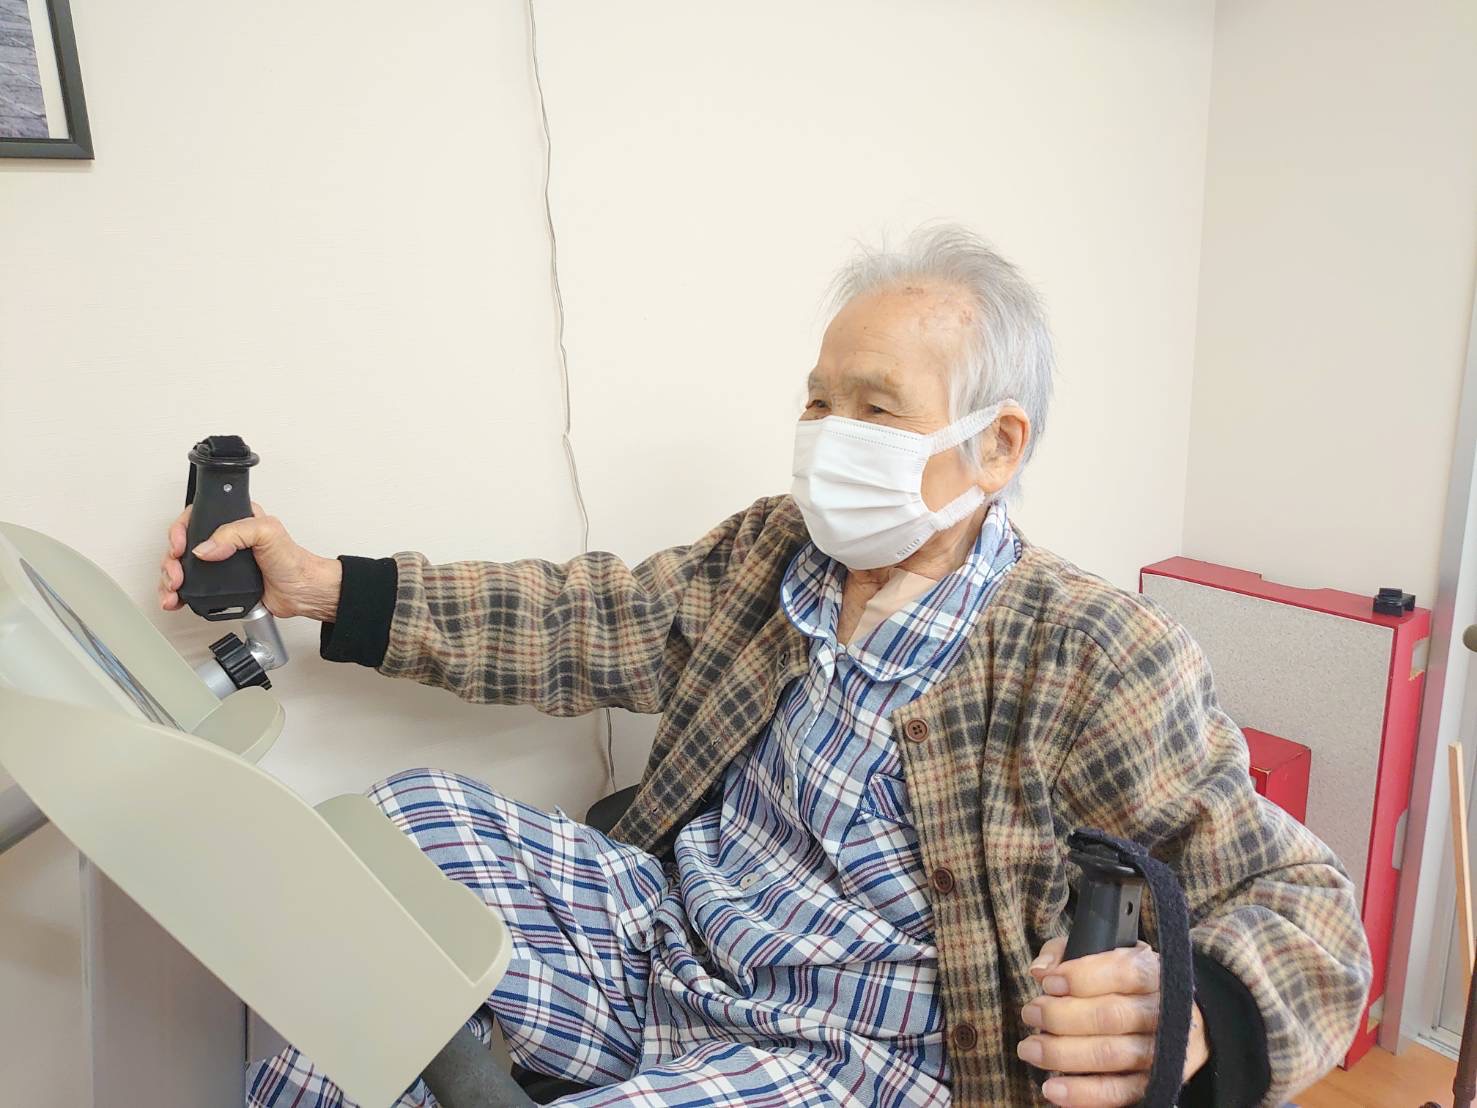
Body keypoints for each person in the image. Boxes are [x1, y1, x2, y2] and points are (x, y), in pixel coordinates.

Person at [159, 225, 1370, 1108]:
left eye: (875, 409)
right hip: (669, 941)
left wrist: (1194, 1011)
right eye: (818, 402)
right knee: (394, 838)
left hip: (854, 1053)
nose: (829, 437)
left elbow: (1308, 912)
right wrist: (319, 586)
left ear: (996, 446)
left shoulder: (1090, 650)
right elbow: (581, 618)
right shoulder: (773, 554)